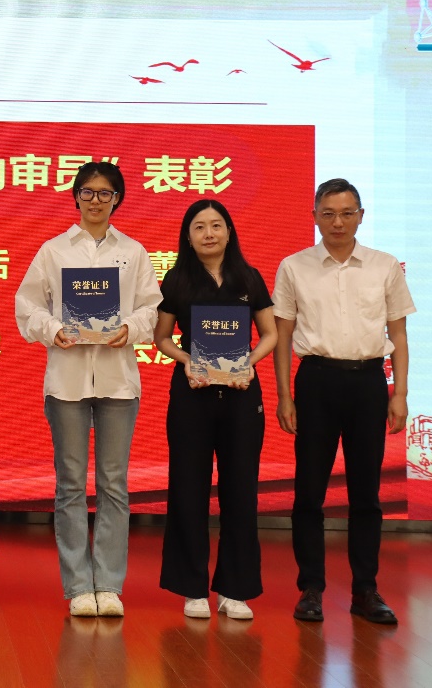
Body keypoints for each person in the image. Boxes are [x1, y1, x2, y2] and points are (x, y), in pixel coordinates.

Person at [14, 160, 161, 618]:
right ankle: (78, 585)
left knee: (114, 483)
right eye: (88, 192)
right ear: (76, 196)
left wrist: (130, 328)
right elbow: (27, 306)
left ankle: (110, 585)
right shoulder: (53, 251)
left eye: (105, 193)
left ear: (118, 199)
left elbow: (151, 308)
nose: (96, 200)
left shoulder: (133, 252)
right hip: (67, 380)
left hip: (118, 380)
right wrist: (53, 328)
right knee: (71, 484)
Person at [273, 178, 414, 625]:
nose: (338, 222)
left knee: (366, 494)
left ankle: (365, 590)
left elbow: (398, 334)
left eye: (347, 213)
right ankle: (311, 588)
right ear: (314, 216)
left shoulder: (384, 266)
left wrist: (400, 393)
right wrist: (284, 395)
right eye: (329, 213)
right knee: (309, 492)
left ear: (360, 216)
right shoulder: (294, 266)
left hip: (369, 383)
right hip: (315, 382)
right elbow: (282, 336)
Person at [154, 200, 277, 620]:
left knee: (240, 491)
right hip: (192, 394)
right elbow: (162, 337)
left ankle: (234, 590)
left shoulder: (249, 277)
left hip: (241, 394)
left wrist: (248, 363)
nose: (209, 233)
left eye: (216, 225)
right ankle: (192, 589)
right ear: (188, 237)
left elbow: (270, 333)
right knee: (188, 490)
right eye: (199, 227)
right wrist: (187, 360)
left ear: (229, 231)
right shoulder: (177, 279)